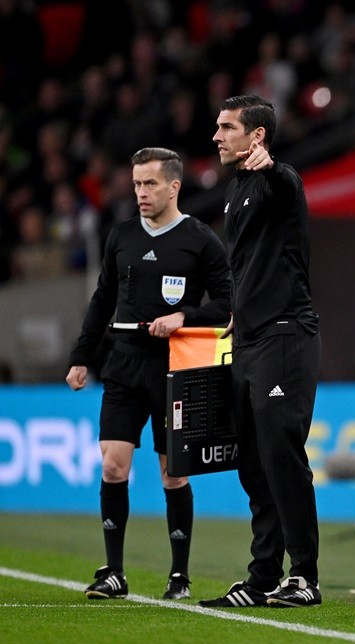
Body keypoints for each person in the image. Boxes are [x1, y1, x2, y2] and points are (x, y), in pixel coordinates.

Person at [66, 147, 231, 601]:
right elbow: (102, 299)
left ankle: (179, 576)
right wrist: (81, 356)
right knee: (113, 464)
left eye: (150, 183)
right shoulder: (120, 236)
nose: (141, 192)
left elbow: (227, 304)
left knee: (172, 475)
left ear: (174, 186)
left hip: (175, 370)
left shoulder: (200, 240)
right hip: (124, 365)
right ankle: (113, 572)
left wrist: (185, 318)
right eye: (137, 183)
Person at [199, 95, 323, 609]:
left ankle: (305, 577)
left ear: (257, 136)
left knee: (281, 454)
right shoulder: (237, 189)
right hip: (249, 340)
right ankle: (263, 577)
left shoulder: (277, 181)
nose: (216, 136)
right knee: (253, 461)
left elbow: (284, 185)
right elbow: (247, 263)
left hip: (284, 337)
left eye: (227, 127)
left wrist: (271, 167)